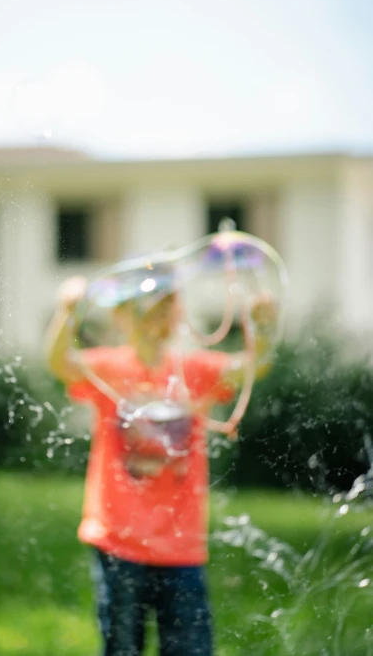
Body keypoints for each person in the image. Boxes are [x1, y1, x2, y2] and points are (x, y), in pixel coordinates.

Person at [45, 262, 276, 656]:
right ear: (123, 316)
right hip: (118, 539)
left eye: (170, 305)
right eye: (153, 305)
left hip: (180, 543)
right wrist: (67, 311)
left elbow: (253, 366)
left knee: (190, 648)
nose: (164, 314)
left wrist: (266, 328)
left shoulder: (194, 370)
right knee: (122, 647)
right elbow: (60, 363)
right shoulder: (110, 367)